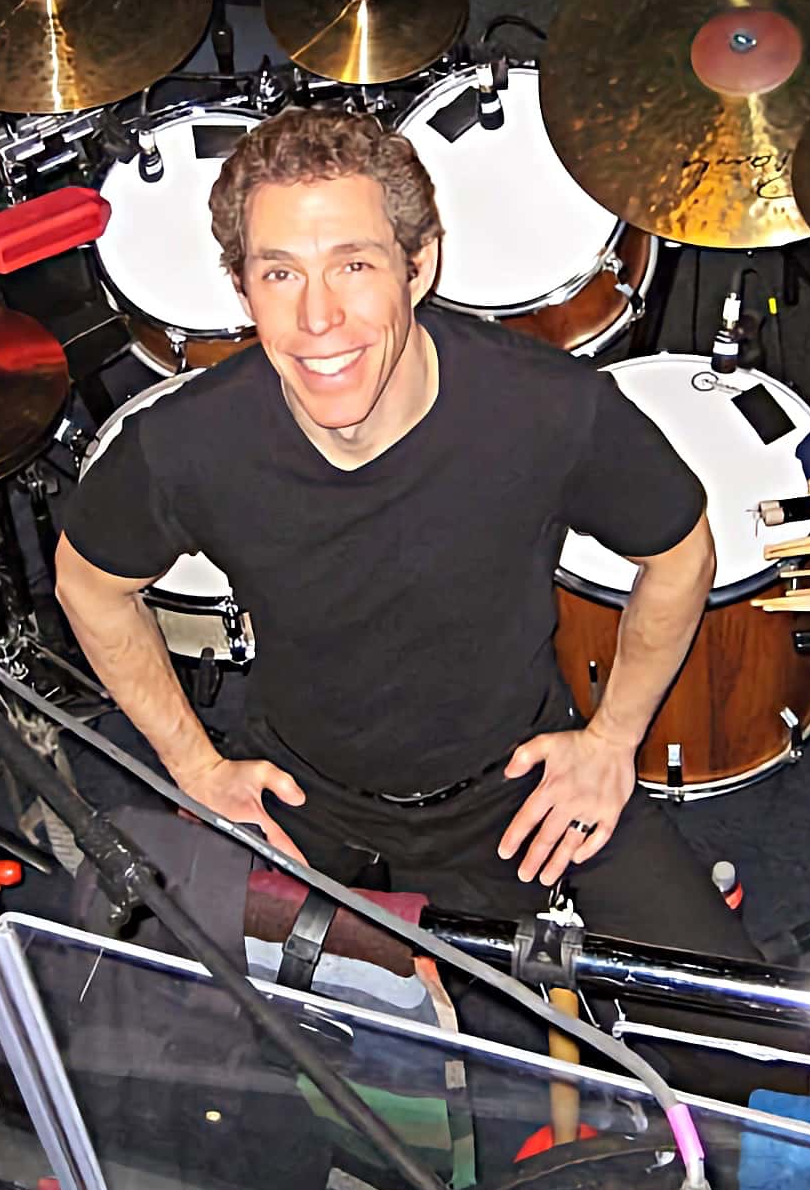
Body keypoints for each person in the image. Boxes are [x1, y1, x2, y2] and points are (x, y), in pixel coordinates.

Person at [57, 107, 757, 960]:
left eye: (353, 265)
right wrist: (196, 768)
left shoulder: (550, 409)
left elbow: (680, 551)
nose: (319, 318)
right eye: (280, 274)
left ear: (417, 267)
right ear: (241, 290)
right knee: (177, 1018)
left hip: (512, 779)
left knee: (731, 1032)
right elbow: (89, 585)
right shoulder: (183, 447)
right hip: (302, 784)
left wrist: (612, 739)